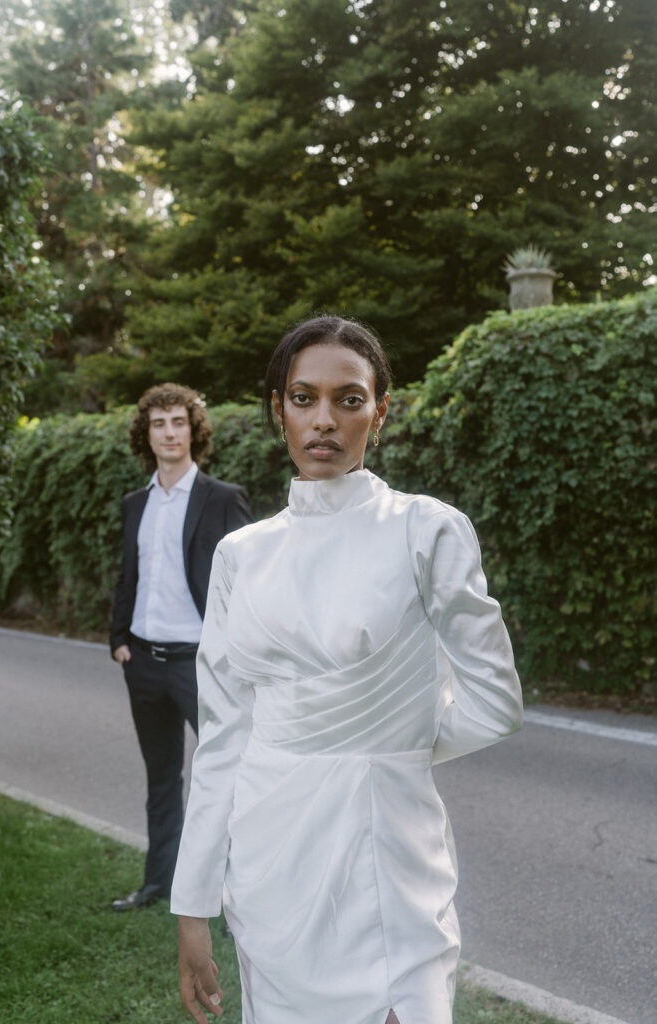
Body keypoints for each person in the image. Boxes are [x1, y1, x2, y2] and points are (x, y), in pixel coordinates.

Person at [171, 317, 523, 1023]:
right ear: (279, 410)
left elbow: (495, 699)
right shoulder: (241, 555)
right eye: (304, 399)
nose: (324, 420)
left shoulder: (427, 530)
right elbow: (223, 736)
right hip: (272, 858)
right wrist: (193, 904)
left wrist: (389, 743)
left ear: (380, 410)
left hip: (389, 848)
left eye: (349, 399)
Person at [109, 382, 252, 912]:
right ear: (146, 435)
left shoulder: (221, 497)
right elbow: (131, 576)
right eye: (158, 424)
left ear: (194, 430)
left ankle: (235, 893)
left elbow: (248, 582)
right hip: (142, 662)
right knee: (162, 779)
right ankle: (159, 884)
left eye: (177, 422)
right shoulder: (135, 504)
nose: (169, 432)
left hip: (201, 664)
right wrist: (118, 641)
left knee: (227, 781)